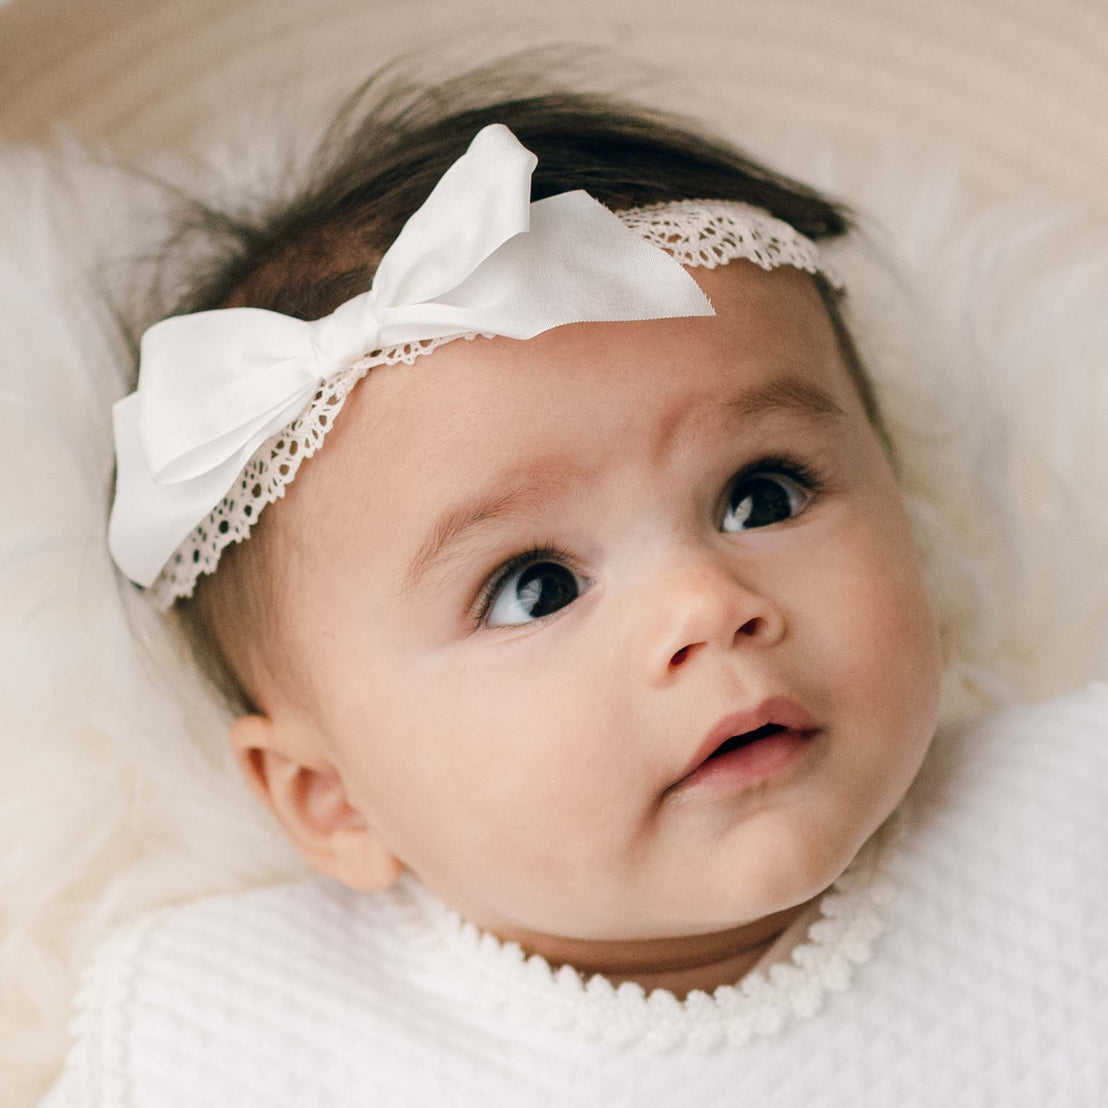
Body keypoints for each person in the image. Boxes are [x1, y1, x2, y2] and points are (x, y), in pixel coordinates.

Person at [39, 64, 1108, 1106]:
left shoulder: (1067, 829)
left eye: (763, 495)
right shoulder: (237, 1036)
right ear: (334, 798)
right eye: (536, 586)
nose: (704, 601)